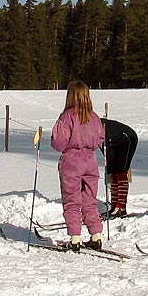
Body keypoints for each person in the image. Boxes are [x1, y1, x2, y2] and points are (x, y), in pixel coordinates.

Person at [51, 80, 105, 252]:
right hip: (90, 161)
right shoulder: (94, 117)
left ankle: (75, 238)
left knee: (72, 199)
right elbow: (100, 139)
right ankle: (95, 235)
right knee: (90, 199)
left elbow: (59, 142)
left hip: (72, 161)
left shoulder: (67, 117)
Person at [101, 119, 139, 219]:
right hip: (114, 142)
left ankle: (121, 207)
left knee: (120, 171)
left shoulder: (95, 128)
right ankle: (114, 205)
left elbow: (108, 153)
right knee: (112, 172)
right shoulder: (88, 130)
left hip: (127, 138)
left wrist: (110, 169)